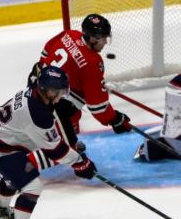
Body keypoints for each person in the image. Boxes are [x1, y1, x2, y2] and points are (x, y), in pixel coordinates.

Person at [0, 66, 98, 219]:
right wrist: (80, 162)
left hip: (1, 136)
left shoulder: (34, 92)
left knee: (18, 176)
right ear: (49, 91)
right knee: (32, 186)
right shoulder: (37, 113)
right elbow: (56, 150)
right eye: (59, 92)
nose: (61, 95)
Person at [30, 13, 132, 150]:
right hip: (54, 105)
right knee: (67, 139)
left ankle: (46, 133)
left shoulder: (70, 34)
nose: (106, 43)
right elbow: (97, 106)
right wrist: (114, 119)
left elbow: (46, 50)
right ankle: (58, 144)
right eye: (103, 39)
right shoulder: (92, 62)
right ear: (93, 39)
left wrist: (45, 70)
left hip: (35, 84)